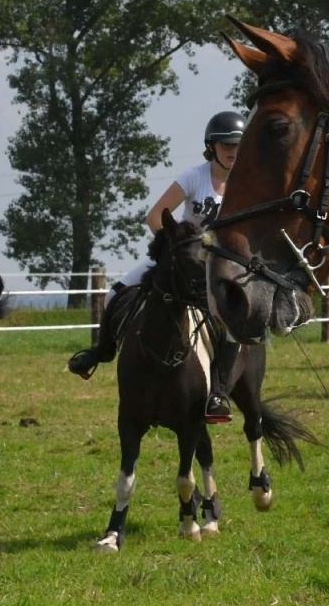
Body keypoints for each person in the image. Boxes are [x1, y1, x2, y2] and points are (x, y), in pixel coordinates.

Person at [68, 111, 246, 423]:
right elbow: (154, 216)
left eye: (238, 145)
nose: (233, 150)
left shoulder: (249, 183)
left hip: (218, 263)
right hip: (180, 257)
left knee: (234, 319)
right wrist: (173, 248)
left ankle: (217, 392)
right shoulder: (193, 177)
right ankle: (102, 352)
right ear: (211, 146)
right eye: (226, 144)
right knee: (113, 295)